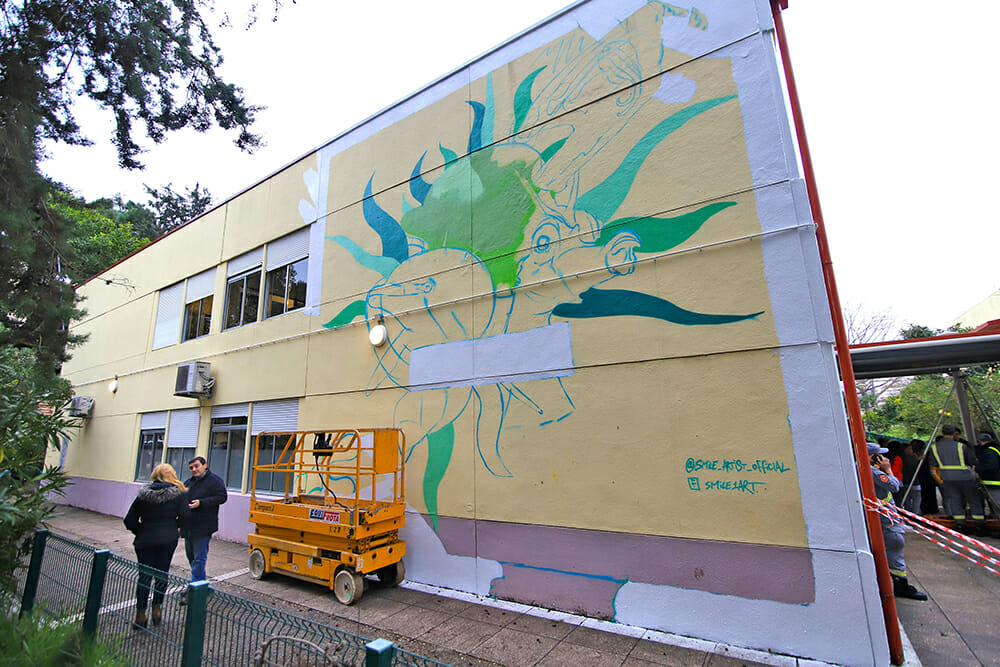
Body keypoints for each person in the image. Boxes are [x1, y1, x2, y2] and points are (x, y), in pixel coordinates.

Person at [123, 463, 189, 627]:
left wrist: (141, 531)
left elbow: (129, 520)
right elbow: (186, 517)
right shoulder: (178, 495)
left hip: (145, 539)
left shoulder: (143, 495)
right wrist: (173, 528)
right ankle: (157, 610)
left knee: (144, 576)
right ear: (171, 476)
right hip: (167, 540)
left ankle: (140, 615)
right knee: (161, 574)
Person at [868, 442, 927, 601]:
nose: (884, 457)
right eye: (881, 455)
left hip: (878, 518)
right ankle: (900, 585)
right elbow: (895, 486)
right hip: (886, 520)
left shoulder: (855, 467)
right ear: (874, 457)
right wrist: (888, 469)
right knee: (895, 547)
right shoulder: (873, 471)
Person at [180, 456, 227, 603]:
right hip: (188, 527)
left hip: (203, 527)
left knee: (199, 560)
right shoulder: (188, 483)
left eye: (196, 466)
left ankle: (194, 592)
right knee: (191, 558)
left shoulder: (215, 481)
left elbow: (222, 497)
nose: (194, 469)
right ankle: (203, 587)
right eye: (191, 468)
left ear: (205, 465)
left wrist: (202, 503)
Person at [928, 424, 984, 534]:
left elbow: (933, 465)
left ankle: (960, 524)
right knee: (974, 501)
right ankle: (979, 526)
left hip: (947, 478)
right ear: (954, 434)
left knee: (955, 500)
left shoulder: (935, 448)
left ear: (942, 433)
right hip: (965, 477)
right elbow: (973, 461)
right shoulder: (961, 446)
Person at [975, 432, 1000, 516]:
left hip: (994, 482)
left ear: (980, 441)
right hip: (996, 482)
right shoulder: (996, 449)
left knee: (997, 504)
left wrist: (977, 468)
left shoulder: (988, 451)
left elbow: (991, 466)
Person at [900, 439, 924, 514]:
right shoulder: (910, 458)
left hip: (907, 481)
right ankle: (914, 513)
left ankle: (909, 512)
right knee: (916, 499)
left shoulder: (905, 458)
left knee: (908, 499)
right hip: (912, 481)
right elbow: (912, 468)